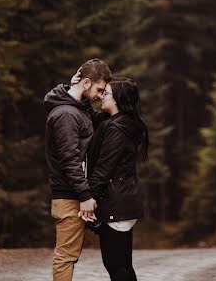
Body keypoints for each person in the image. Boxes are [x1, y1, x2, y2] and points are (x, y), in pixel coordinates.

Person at [44, 58, 112, 281]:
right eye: (99, 89)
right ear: (85, 82)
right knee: (66, 256)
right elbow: (69, 160)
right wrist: (84, 195)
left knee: (69, 255)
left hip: (74, 193)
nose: (100, 95)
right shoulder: (66, 114)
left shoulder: (76, 109)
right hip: (70, 195)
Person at [86, 77, 148, 281]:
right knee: (122, 264)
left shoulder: (116, 129)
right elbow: (92, 115)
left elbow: (104, 168)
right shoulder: (119, 124)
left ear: (118, 100)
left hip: (116, 201)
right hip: (122, 199)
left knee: (115, 264)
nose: (102, 96)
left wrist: (88, 197)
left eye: (106, 94)